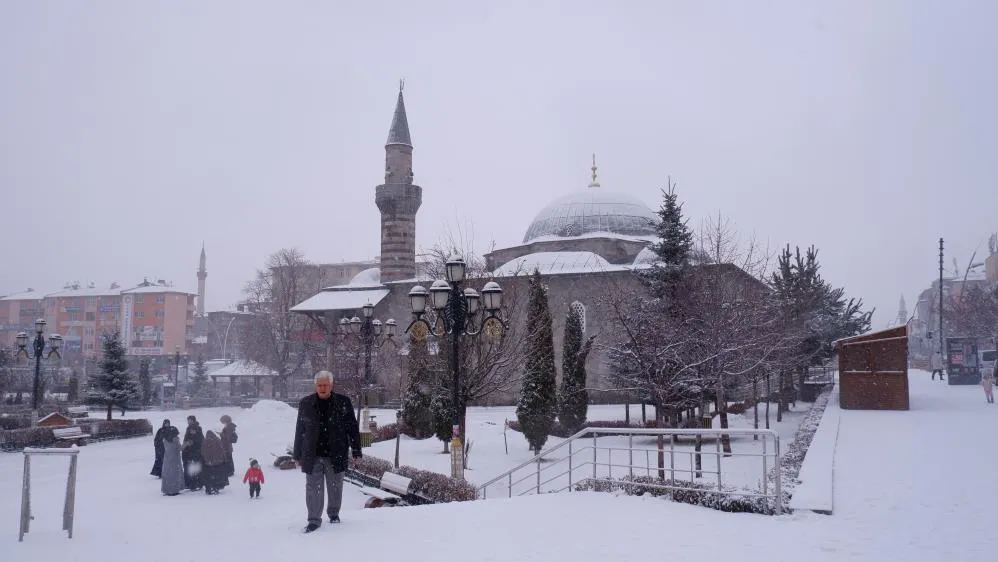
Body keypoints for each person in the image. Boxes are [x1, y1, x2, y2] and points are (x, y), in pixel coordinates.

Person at [292, 371, 362, 533]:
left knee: (335, 486)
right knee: (313, 488)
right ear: (315, 386)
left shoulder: (343, 402)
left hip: (336, 453)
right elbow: (299, 430)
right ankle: (314, 520)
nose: (322, 388)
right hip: (312, 454)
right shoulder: (306, 403)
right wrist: (297, 455)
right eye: (319, 385)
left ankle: (333, 514)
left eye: (325, 385)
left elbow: (352, 427)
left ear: (331, 385)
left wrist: (356, 449)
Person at [200, 431, 229, 495]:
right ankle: (216, 487)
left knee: (210, 477)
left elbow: (204, 452)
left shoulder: (206, 442)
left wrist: (207, 460)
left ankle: (211, 488)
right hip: (218, 462)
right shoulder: (217, 440)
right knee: (217, 476)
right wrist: (224, 459)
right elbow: (222, 450)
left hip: (211, 463)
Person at [182, 415, 204, 490]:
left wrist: (192, 442)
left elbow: (200, 439)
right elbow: (187, 438)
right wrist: (185, 445)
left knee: (195, 467)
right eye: (188, 420)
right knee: (190, 468)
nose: (189, 421)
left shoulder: (198, 428)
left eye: (190, 420)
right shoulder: (188, 428)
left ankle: (197, 484)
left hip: (196, 451)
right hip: (189, 451)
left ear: (194, 421)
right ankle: (190, 483)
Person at [161, 426, 184, 496]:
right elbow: (181, 448)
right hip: (175, 459)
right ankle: (174, 490)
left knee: (167, 474)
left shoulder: (164, 439)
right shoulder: (175, 439)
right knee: (175, 474)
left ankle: (167, 489)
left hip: (167, 459)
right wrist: (186, 443)